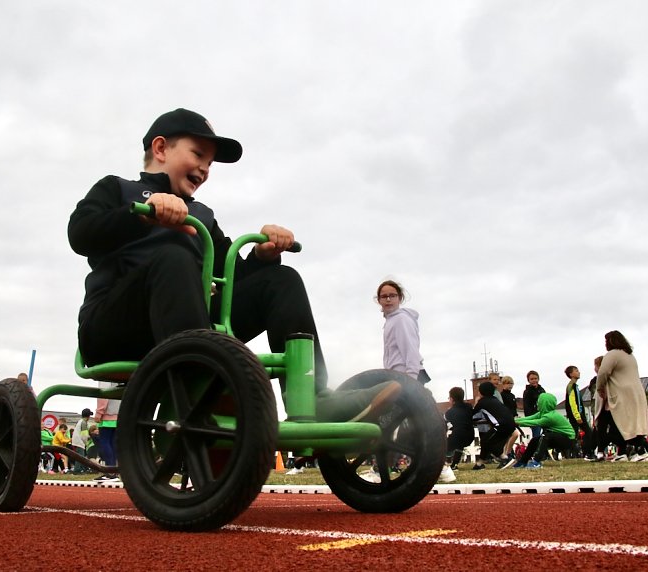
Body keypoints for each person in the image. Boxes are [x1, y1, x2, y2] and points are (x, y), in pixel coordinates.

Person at [68, 107, 402, 422]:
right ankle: (205, 395)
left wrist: (263, 255)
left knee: (280, 279)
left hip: (193, 331)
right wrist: (141, 215)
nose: (205, 169)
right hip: (114, 329)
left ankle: (313, 400)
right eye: (198, 155)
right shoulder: (118, 190)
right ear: (160, 149)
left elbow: (233, 278)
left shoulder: (201, 217)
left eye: (210, 163)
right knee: (173, 258)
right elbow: (80, 234)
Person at [593, 330, 648, 463]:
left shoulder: (612, 354)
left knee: (624, 423)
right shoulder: (629, 355)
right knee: (628, 423)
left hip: (622, 393)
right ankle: (622, 453)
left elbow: (603, 373)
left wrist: (600, 389)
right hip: (636, 391)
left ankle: (641, 452)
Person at [376, 279, 429, 383]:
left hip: (407, 377)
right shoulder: (391, 321)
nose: (388, 299)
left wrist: (411, 380)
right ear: (379, 300)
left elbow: (411, 349)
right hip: (397, 377)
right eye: (384, 296)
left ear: (399, 298)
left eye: (392, 295)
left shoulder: (401, 319)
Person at [507, 392, 576, 469]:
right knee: (535, 440)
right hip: (557, 437)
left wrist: (516, 422)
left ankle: (536, 462)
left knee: (545, 436)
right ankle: (523, 462)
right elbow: (529, 418)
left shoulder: (550, 417)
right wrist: (513, 420)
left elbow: (535, 422)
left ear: (544, 403)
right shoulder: (542, 413)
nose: (537, 403)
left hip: (568, 440)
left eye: (539, 401)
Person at [471, 381, 515, 470]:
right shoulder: (495, 400)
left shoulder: (482, 402)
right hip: (510, 424)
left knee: (487, 442)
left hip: (501, 425)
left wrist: (476, 402)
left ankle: (505, 458)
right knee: (486, 441)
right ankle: (480, 464)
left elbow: (472, 414)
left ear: (481, 392)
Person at [564, 365, 595, 460]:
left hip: (577, 414)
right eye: (576, 371)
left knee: (574, 434)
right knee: (588, 432)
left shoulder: (575, 386)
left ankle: (570, 452)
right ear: (571, 374)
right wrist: (577, 416)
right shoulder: (571, 386)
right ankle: (588, 452)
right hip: (577, 415)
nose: (579, 372)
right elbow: (572, 402)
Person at [94, 381, 120, 482]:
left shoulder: (105, 378)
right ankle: (114, 471)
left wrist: (99, 412)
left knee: (105, 442)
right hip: (118, 414)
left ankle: (109, 472)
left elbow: (103, 394)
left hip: (107, 415)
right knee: (113, 444)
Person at [444, 387, 474, 471]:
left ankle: (446, 463)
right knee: (459, 445)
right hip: (470, 435)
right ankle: (454, 464)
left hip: (457, 436)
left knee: (445, 447)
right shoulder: (468, 406)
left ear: (452, 399)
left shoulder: (449, 412)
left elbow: (446, 424)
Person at [522, 370, 546, 439]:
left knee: (547, 432)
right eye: (532, 379)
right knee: (536, 435)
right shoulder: (527, 392)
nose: (534, 380)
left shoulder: (541, 390)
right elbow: (527, 406)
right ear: (528, 380)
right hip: (534, 417)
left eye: (535, 378)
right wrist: (529, 419)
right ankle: (536, 448)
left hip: (543, 415)